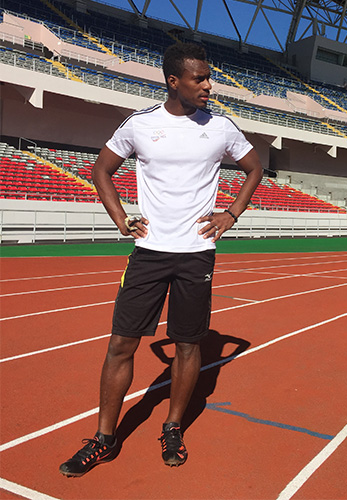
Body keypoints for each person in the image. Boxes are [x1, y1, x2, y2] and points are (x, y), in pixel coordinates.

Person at [58, 42, 263, 477]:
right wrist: (120, 220)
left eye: (209, 77)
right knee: (121, 344)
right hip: (148, 253)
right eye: (199, 79)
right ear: (174, 81)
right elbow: (101, 170)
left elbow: (254, 169)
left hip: (196, 254)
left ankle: (172, 427)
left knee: (189, 345)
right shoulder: (140, 124)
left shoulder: (222, 127)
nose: (208, 86)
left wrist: (230, 214)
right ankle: (104, 438)